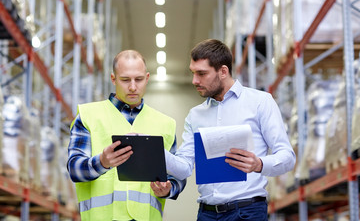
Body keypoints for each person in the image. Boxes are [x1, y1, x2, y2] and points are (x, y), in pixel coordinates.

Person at [165, 39, 296, 221]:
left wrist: (259, 164)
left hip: (247, 212)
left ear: (223, 71)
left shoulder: (260, 102)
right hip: (206, 214)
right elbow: (184, 168)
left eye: (202, 74)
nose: (195, 80)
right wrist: (156, 153)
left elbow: (288, 158)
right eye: (193, 73)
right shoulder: (195, 115)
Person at [67, 50, 186, 221]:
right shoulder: (88, 116)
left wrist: (169, 188)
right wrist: (102, 162)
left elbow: (179, 174)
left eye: (138, 79)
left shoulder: (165, 124)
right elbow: (74, 169)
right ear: (113, 79)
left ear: (147, 78)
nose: (132, 86)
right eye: (125, 80)